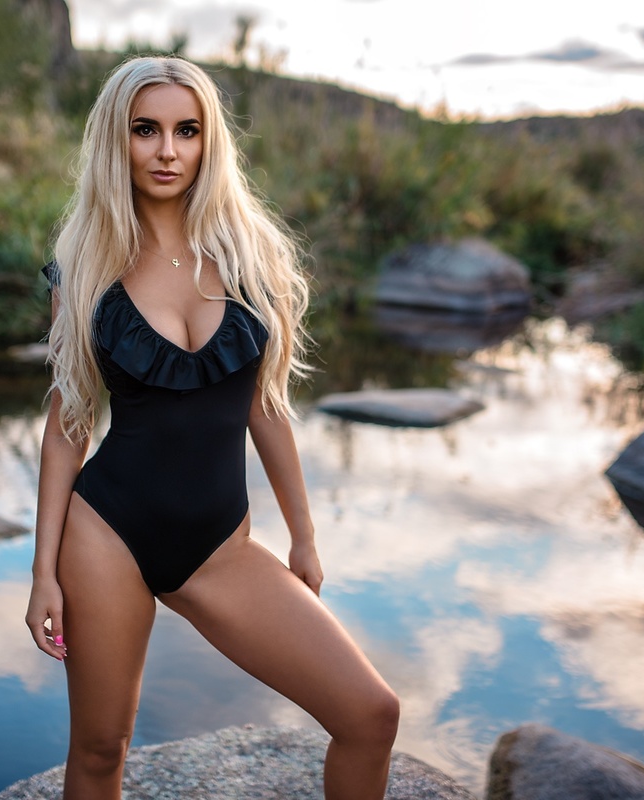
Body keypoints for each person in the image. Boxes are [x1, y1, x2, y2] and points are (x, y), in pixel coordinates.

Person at [25, 55, 399, 800]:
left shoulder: (246, 256)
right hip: (107, 535)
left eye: (186, 130)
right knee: (101, 750)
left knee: (370, 714)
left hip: (221, 545)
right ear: (116, 141)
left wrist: (304, 537)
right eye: (146, 130)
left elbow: (266, 406)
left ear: (209, 141)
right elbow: (69, 418)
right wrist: (43, 572)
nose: (168, 150)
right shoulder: (86, 265)